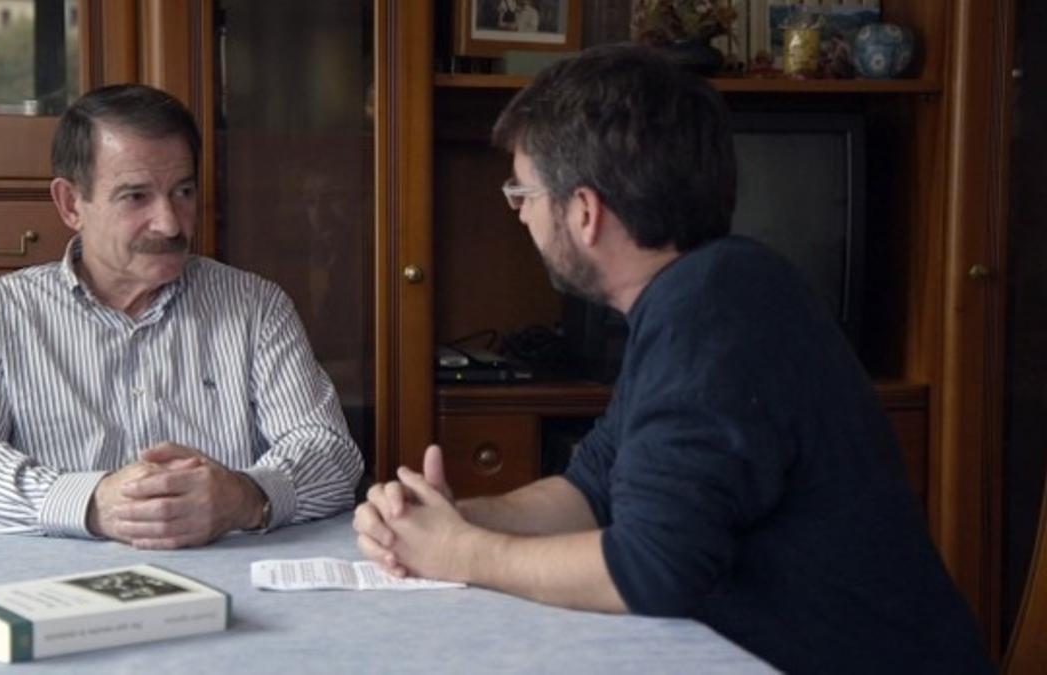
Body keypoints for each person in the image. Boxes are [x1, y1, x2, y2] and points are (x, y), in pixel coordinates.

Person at [353, 45, 992, 674]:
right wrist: (447, 520)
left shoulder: (712, 312)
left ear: (584, 211)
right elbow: (590, 491)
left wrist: (465, 554)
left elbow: (653, 571)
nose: (518, 213)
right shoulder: (706, 293)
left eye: (522, 191)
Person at [0, 84, 363, 549]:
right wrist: (92, 503)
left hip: (232, 589)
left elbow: (330, 453)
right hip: (58, 597)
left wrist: (246, 496)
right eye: (136, 197)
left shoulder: (256, 308)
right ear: (71, 204)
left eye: (183, 192)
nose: (171, 223)